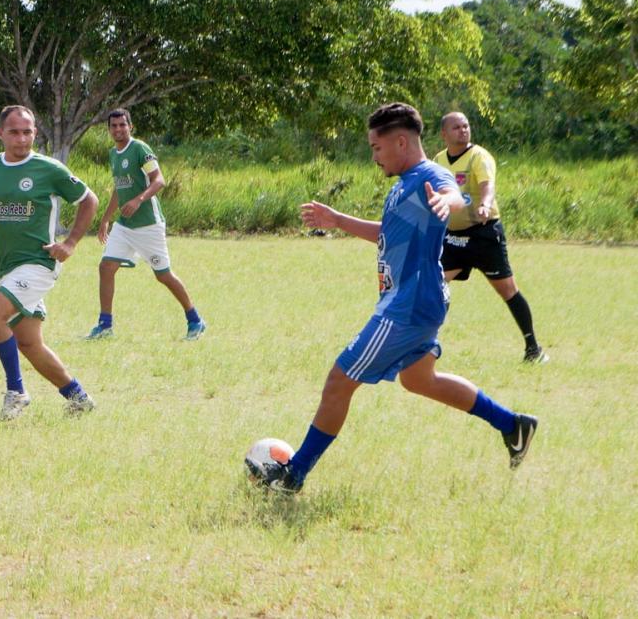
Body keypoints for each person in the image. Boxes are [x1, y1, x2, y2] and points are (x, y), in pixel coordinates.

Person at [248, 102, 538, 494]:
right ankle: (512, 425)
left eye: (377, 148)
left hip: (408, 305)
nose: (374, 156)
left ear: (401, 141)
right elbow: (390, 231)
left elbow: (455, 196)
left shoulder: (428, 177)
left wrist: (448, 204)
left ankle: (293, 475)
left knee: (339, 381)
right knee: (420, 380)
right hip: (417, 301)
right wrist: (337, 220)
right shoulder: (405, 185)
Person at [0, 105, 98, 420]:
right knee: (29, 343)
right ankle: (78, 398)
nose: (21, 139)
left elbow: (89, 200)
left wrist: (70, 243)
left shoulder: (49, 169)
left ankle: (16, 392)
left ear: (35, 133)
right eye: (14, 132)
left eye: (28, 132)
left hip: (39, 262)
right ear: (0, 133)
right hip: (8, 267)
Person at [433, 112, 548, 363]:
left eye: (466, 126)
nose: (463, 130)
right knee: (436, 283)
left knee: (507, 290)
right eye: (456, 127)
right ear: (444, 134)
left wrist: (485, 204)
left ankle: (533, 348)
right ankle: (428, 344)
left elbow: (488, 186)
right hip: (452, 235)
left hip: (483, 234)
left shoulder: (479, 157)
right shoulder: (439, 160)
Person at [84, 108, 206, 341]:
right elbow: (119, 190)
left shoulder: (140, 149)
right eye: (114, 126)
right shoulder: (113, 154)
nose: (118, 129)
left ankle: (195, 320)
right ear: (108, 129)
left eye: (122, 125)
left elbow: (159, 180)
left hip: (148, 225)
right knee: (106, 267)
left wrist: (139, 199)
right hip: (125, 225)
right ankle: (105, 325)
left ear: (130, 126)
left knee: (163, 275)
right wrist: (106, 219)